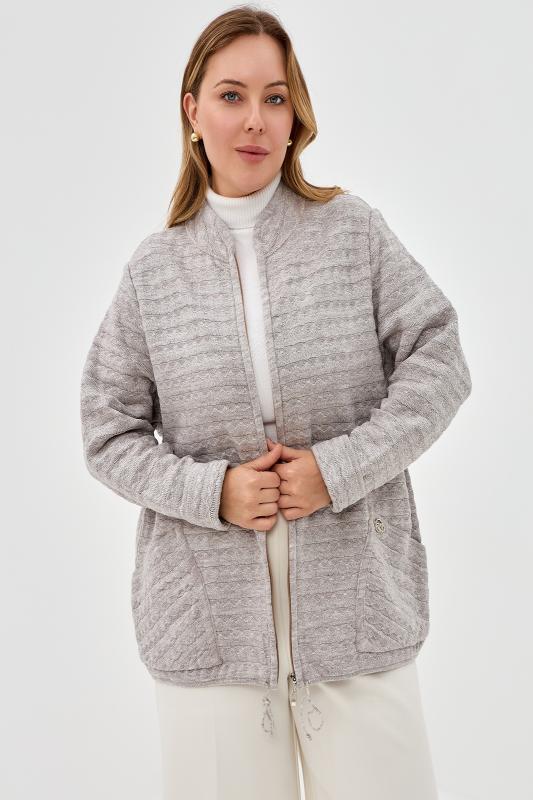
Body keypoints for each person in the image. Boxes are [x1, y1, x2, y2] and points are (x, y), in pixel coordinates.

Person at [80, 6, 472, 799]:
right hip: (208, 624)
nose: (255, 120)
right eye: (231, 96)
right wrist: (213, 492)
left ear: (297, 118)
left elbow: (439, 358)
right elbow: (106, 430)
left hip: (357, 604)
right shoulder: (154, 270)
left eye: (275, 97)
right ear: (193, 112)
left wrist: (338, 469)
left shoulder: (352, 232)